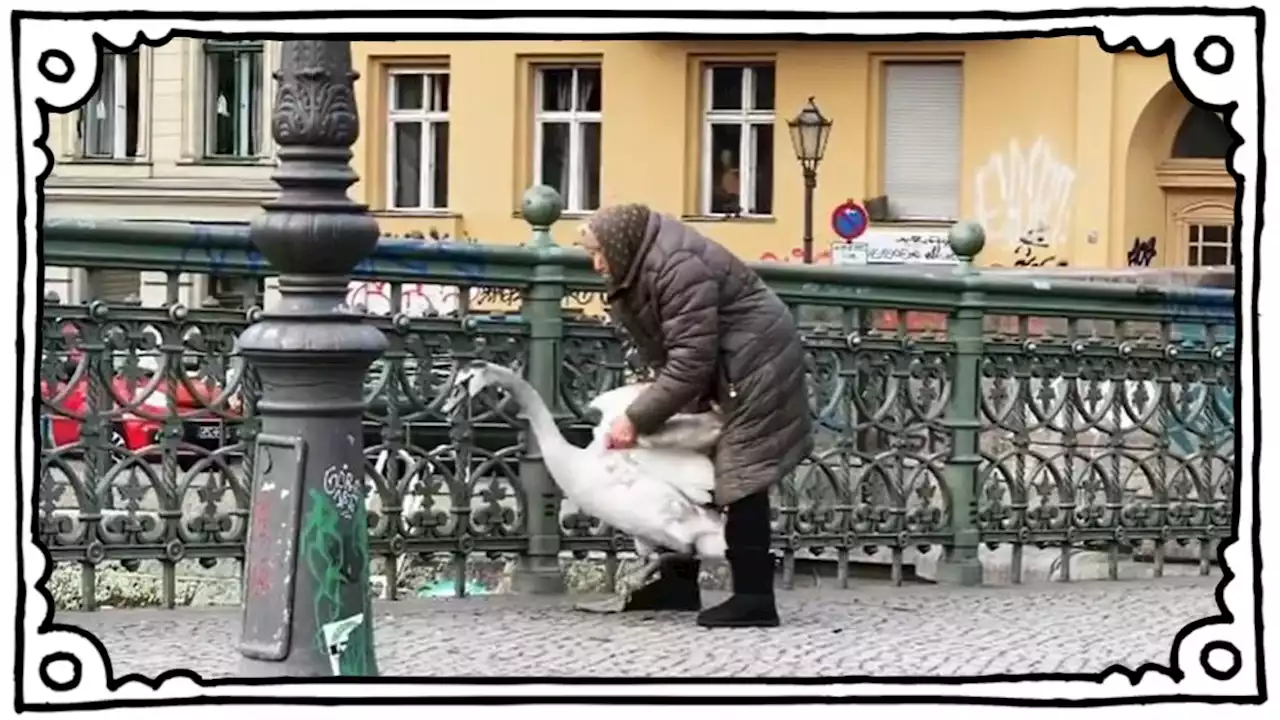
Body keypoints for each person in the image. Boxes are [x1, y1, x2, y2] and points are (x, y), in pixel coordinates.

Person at [578, 203, 813, 628]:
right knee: (677, 460)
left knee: (742, 472)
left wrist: (637, 417)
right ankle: (678, 582)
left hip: (756, 365)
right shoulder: (646, 263)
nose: (596, 264)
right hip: (727, 364)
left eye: (599, 253)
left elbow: (691, 361)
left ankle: (755, 598)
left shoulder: (676, 267)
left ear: (619, 245)